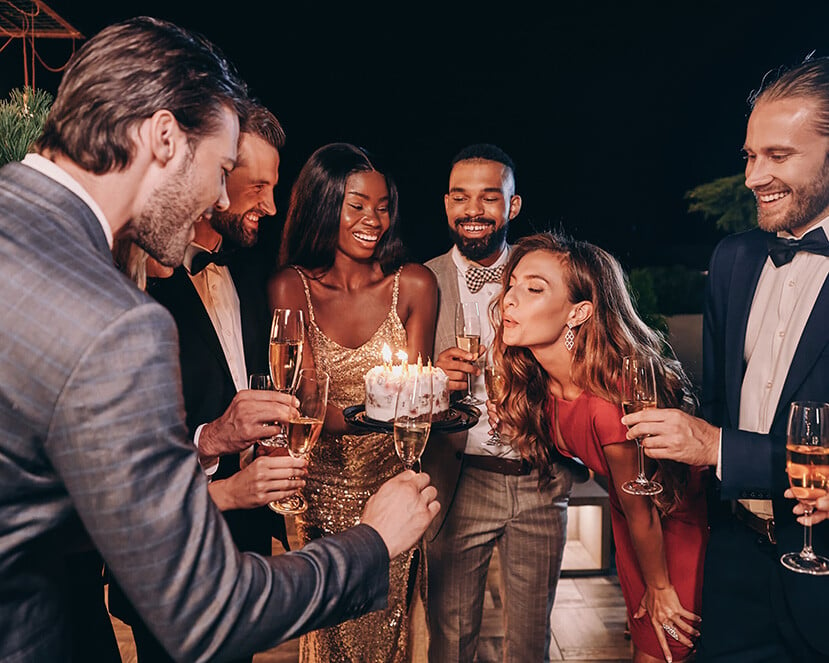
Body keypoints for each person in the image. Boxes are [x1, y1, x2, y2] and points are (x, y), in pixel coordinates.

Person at [0, 16, 439, 663]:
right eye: (223, 167)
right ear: (164, 137)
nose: (216, 197)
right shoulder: (118, 321)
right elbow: (208, 612)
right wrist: (372, 539)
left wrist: (206, 446)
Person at [623, 56, 829, 660]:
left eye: (778, 156)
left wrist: (713, 445)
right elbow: (718, 405)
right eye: (749, 156)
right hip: (738, 561)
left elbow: (717, 437)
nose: (752, 177)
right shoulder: (734, 261)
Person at [107, 100, 308, 663]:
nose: (269, 205)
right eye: (255, 184)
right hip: (167, 566)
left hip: (239, 555)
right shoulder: (138, 280)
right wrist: (215, 438)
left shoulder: (247, 268)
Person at [490, 232, 707, 663]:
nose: (509, 300)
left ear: (579, 312)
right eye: (511, 284)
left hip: (669, 526)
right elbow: (577, 453)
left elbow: (644, 507)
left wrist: (660, 587)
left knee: (661, 650)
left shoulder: (611, 402)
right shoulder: (545, 381)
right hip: (630, 522)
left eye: (534, 289)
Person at [267, 142, 438, 663]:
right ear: (325, 204)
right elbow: (308, 406)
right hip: (319, 491)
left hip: (392, 485)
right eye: (357, 204)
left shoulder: (414, 284)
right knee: (330, 630)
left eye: (383, 206)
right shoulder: (289, 286)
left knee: (390, 631)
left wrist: (425, 396)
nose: (374, 219)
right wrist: (380, 410)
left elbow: (416, 398)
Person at [422, 144, 577, 662]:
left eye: (489, 198)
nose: (473, 210)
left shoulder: (548, 277)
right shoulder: (418, 282)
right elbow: (388, 382)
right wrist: (430, 377)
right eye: (461, 197)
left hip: (539, 478)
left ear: (512, 207)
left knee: (532, 641)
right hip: (457, 480)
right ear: (446, 205)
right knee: (451, 638)